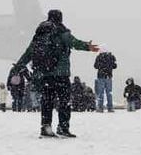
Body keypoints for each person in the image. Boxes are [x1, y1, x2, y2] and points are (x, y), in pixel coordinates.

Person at [10, 9, 99, 138]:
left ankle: (46, 126)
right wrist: (88, 46)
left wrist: (18, 66)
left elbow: (29, 52)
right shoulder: (62, 32)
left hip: (44, 75)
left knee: (47, 101)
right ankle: (63, 127)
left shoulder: (39, 35)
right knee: (64, 101)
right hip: (61, 74)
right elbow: (75, 43)